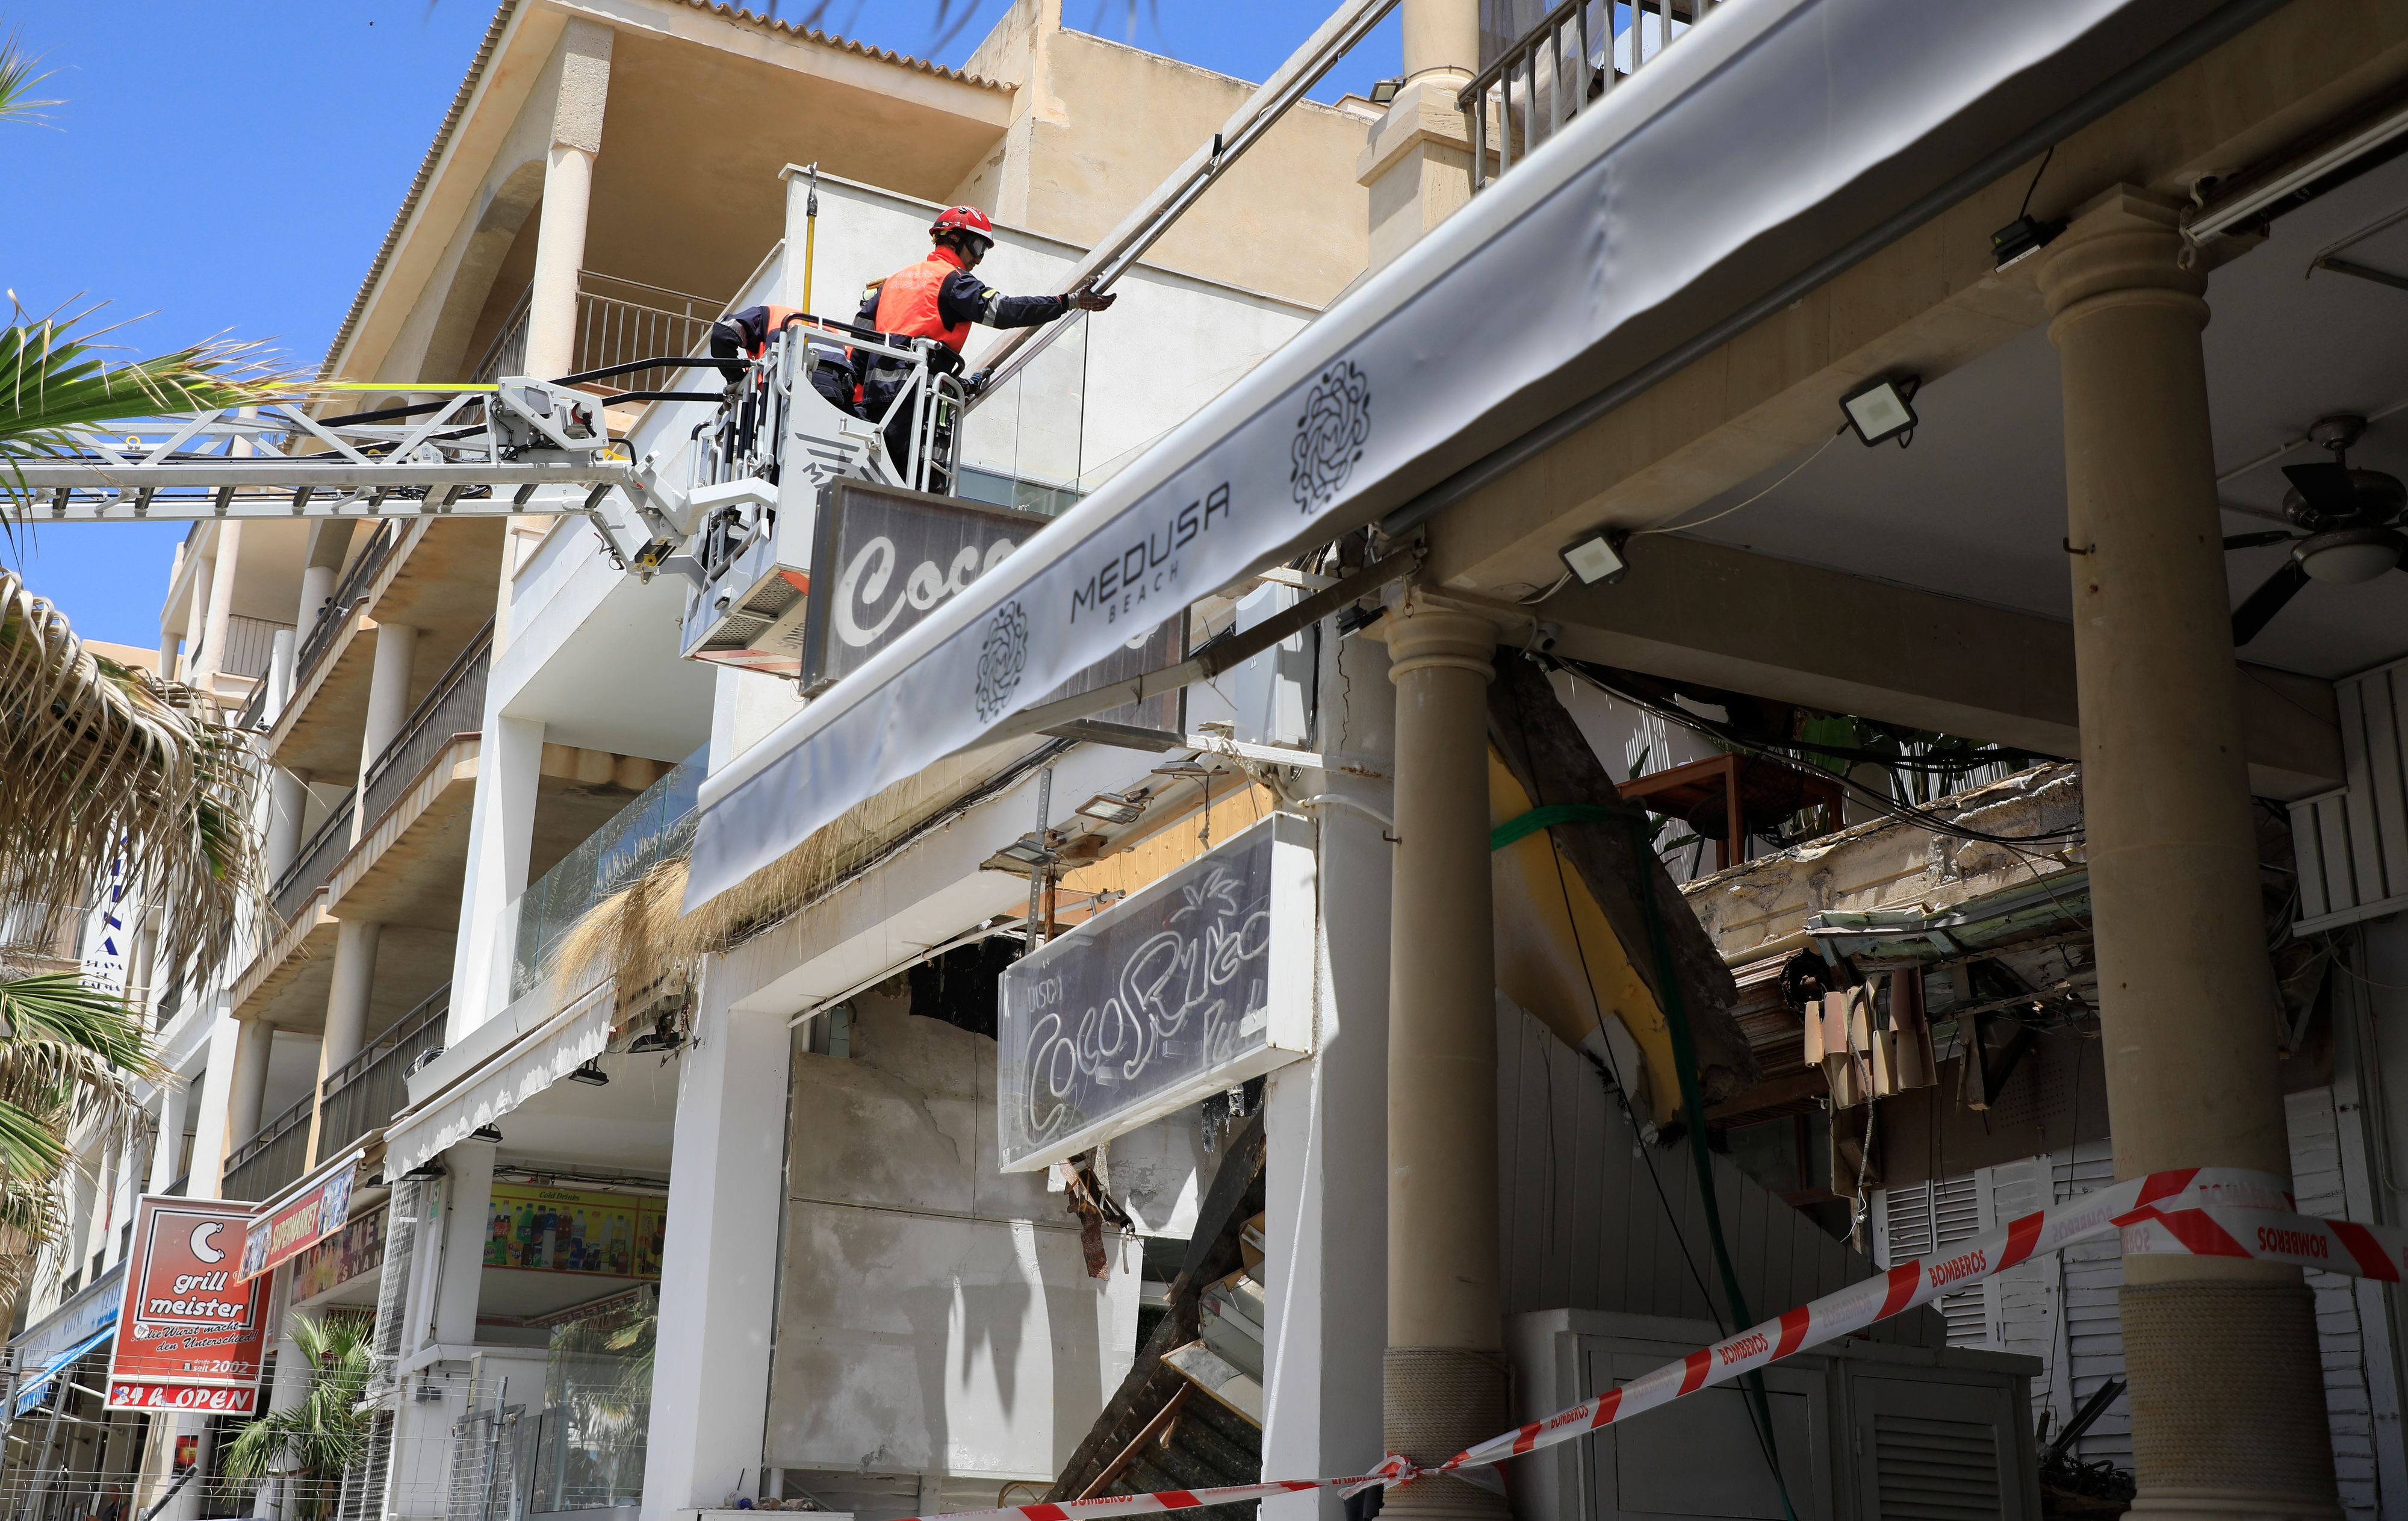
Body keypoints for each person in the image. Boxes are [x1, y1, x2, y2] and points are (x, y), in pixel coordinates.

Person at [856, 205, 1115, 485]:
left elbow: (858, 345)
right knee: (920, 488)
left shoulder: (892, 283)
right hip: (917, 403)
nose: (979, 259)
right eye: (979, 246)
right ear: (955, 239)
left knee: (874, 481)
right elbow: (1003, 311)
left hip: (874, 403)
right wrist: (1068, 302)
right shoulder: (954, 281)